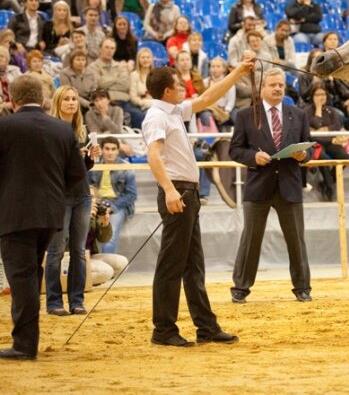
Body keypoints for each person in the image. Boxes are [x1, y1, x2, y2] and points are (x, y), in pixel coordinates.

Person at [141, 61, 250, 347]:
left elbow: (206, 98)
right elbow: (153, 155)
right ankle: (163, 329)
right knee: (171, 264)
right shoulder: (156, 116)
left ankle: (206, 327)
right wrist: (168, 190)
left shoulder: (173, 110)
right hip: (177, 192)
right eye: (178, 85)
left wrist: (237, 73)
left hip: (186, 193)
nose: (183, 89)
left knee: (193, 265)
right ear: (167, 91)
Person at [0, 75, 86, 360]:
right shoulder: (62, 129)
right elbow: (77, 174)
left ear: (13, 99)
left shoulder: (4, 126)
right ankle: (26, 340)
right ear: (43, 98)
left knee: (22, 275)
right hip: (50, 212)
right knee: (30, 271)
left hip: (14, 213)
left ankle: (25, 345)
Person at [229, 67, 314, 303]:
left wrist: (303, 156)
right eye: (273, 85)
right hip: (258, 185)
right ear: (262, 88)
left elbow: (308, 149)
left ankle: (303, 288)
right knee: (250, 239)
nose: (278, 88)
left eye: (281, 85)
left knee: (296, 240)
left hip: (290, 185)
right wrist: (252, 158)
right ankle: (240, 288)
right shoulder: (246, 115)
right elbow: (234, 150)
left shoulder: (298, 114)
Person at [46, 85, 101, 317]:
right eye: (66, 99)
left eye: (74, 99)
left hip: (81, 195)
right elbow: (48, 166)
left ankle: (77, 301)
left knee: (79, 250)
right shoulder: (50, 130)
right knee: (56, 250)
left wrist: (90, 158)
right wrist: (72, 157)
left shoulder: (82, 131)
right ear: (58, 102)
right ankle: (53, 302)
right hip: (59, 196)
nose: (71, 102)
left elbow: (83, 170)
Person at [89, 136, 137, 254]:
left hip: (116, 205)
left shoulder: (126, 167)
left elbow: (131, 195)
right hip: (96, 203)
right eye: (107, 149)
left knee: (109, 239)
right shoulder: (93, 165)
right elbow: (87, 187)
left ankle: (108, 270)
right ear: (102, 149)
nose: (110, 152)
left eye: (113, 149)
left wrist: (113, 207)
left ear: (118, 150)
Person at [88, 37, 145, 128]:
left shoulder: (120, 66)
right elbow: (99, 84)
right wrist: (117, 79)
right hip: (105, 103)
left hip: (124, 101)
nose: (109, 51)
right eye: (106, 47)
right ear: (100, 49)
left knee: (140, 116)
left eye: (112, 48)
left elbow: (126, 84)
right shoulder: (92, 67)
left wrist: (105, 80)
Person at [304, 82, 343, 201]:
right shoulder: (307, 111)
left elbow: (336, 126)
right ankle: (329, 187)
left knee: (345, 156)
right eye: (317, 95)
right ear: (312, 96)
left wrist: (323, 129)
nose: (321, 97)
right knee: (323, 157)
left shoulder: (331, 110)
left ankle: (328, 181)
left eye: (323, 94)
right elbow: (316, 123)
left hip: (330, 141)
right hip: (316, 143)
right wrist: (319, 109)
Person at [86, 186, 129, 285]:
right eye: (87, 197)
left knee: (122, 262)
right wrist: (88, 218)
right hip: (73, 258)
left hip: (90, 256)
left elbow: (103, 239)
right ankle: (71, 282)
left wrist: (105, 225)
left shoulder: (94, 214)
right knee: (106, 271)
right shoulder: (72, 214)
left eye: (92, 197)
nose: (90, 200)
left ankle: (89, 279)